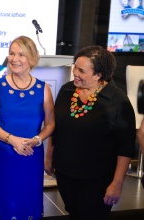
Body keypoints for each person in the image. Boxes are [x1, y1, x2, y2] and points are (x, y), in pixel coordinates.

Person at [45, 45, 136, 220]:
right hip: (65, 174)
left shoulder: (118, 101)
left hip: (98, 180)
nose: (75, 73)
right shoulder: (66, 90)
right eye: (75, 67)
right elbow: (57, 128)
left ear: (98, 75)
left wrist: (117, 184)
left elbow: (125, 147)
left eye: (81, 70)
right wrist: (49, 157)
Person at [0, 35, 55, 219]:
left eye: (21, 54)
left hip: (31, 155)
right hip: (3, 155)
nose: (14, 59)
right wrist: (13, 140)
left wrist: (37, 139)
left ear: (32, 58)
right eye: (11, 53)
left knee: (27, 206)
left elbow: (50, 123)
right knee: (3, 206)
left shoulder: (44, 88)